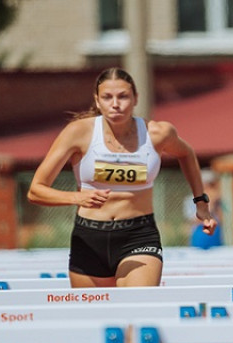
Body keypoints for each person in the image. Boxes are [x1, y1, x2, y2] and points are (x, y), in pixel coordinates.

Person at [27, 67, 218, 288]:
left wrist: (201, 202)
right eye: (107, 97)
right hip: (89, 237)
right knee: (94, 318)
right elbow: (35, 190)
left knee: (137, 309)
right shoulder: (78, 133)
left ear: (136, 98)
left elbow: (187, 154)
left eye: (123, 96)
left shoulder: (157, 133)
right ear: (97, 101)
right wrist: (76, 198)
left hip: (138, 235)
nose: (115, 104)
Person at [183, 168, 223, 249]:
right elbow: (195, 220)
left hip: (215, 235)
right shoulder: (191, 200)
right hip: (199, 235)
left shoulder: (218, 201)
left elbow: (222, 220)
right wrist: (209, 204)